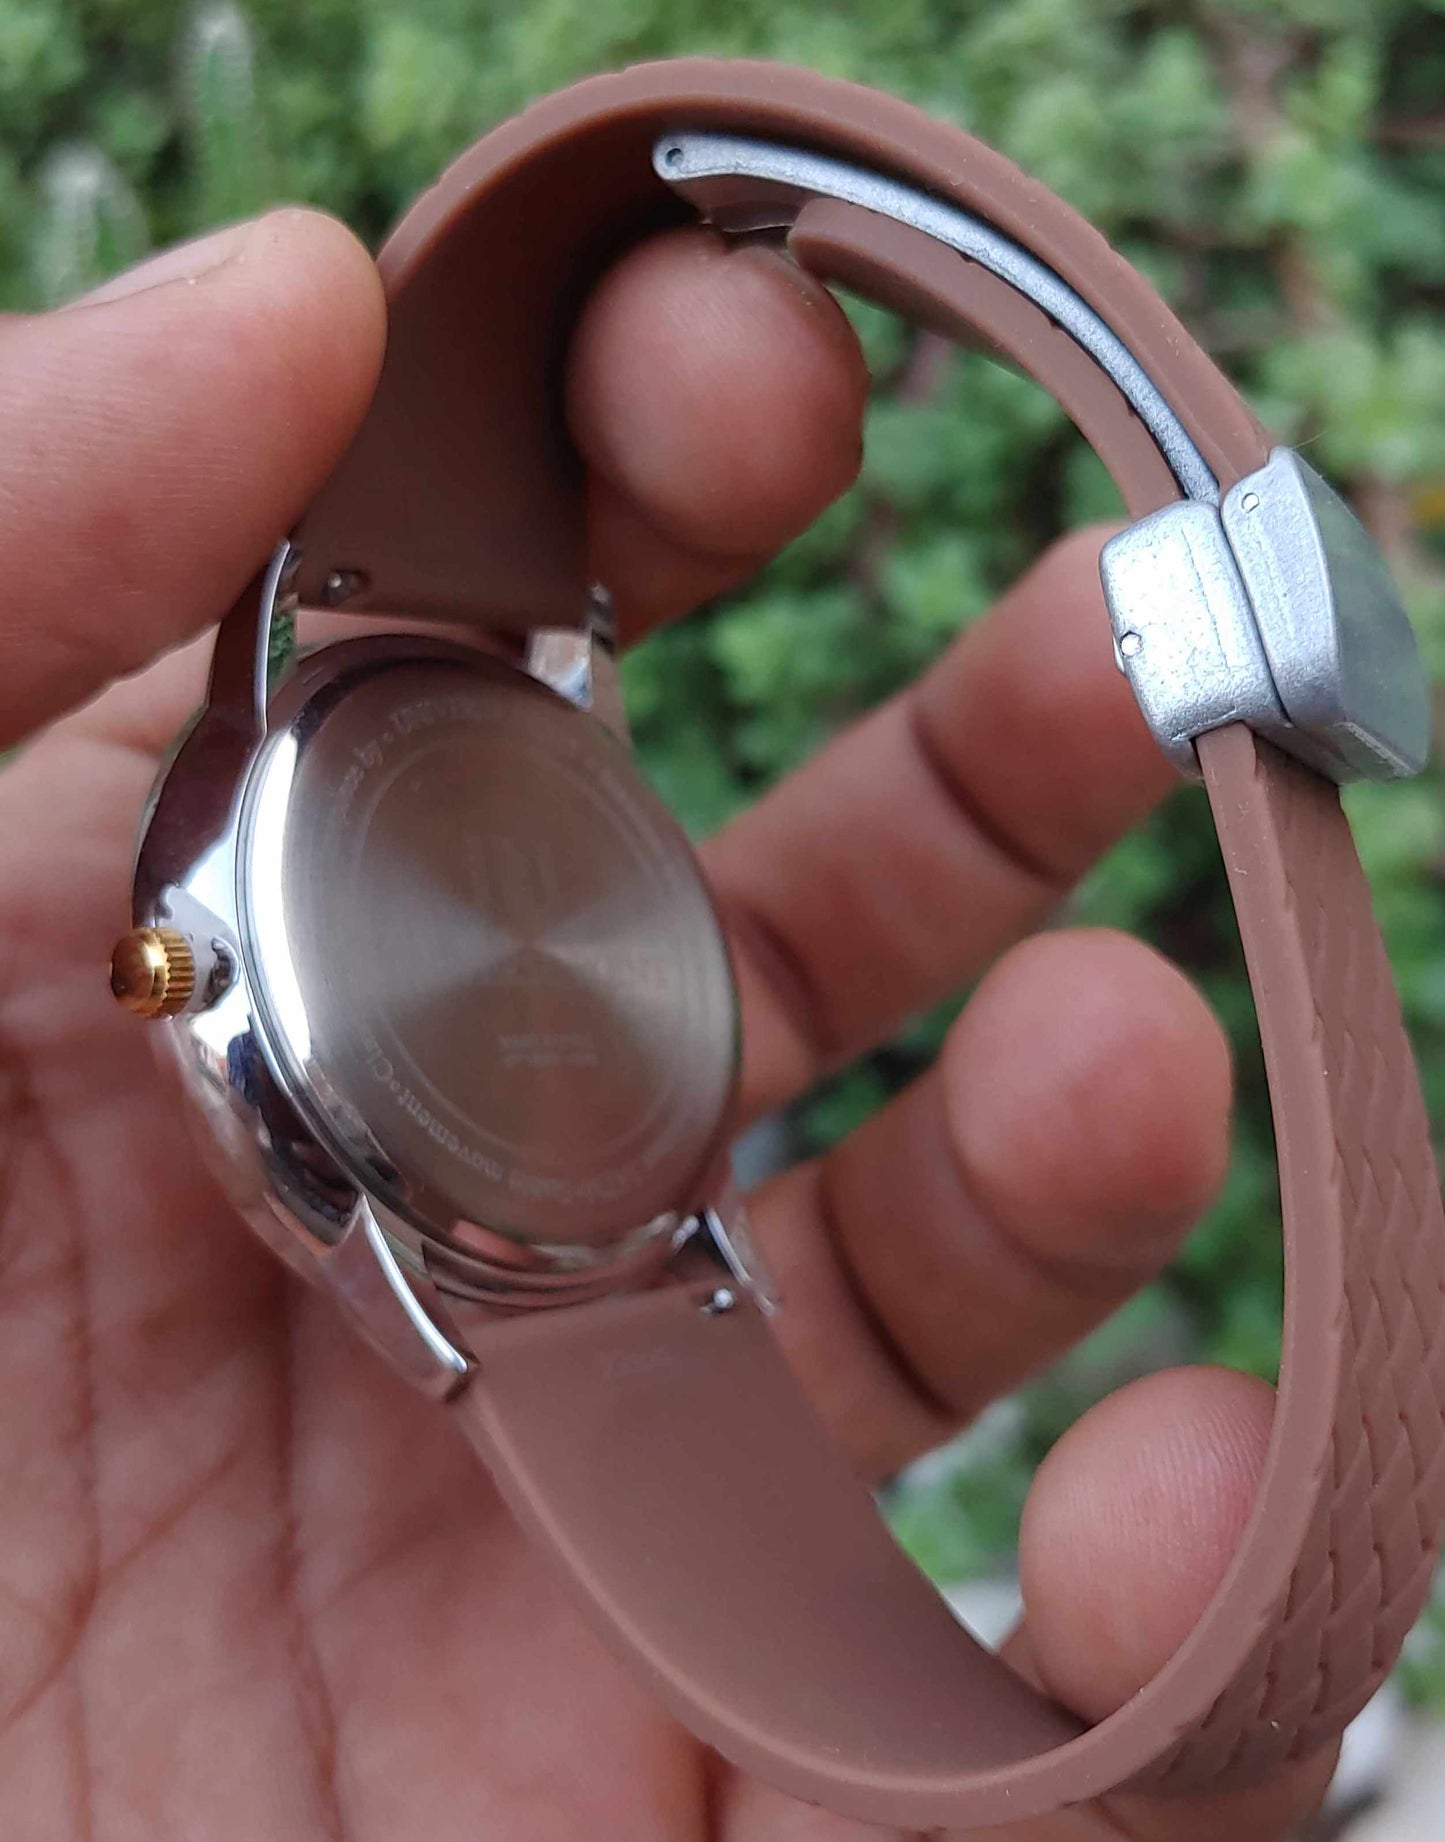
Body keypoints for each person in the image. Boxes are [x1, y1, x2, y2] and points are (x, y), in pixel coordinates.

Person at [0, 208, 1336, 1840]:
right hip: (545, 1154)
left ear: (166, 960)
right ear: (175, 968)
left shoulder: (435, 769)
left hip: (555, 1123)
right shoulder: (435, 780)